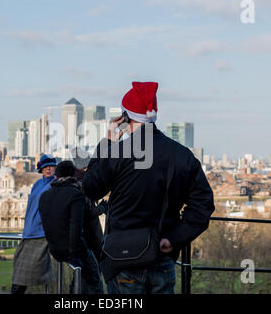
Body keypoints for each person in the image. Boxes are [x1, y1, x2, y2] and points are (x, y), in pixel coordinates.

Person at [82, 81, 215, 294]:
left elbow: (90, 188)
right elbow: (203, 206)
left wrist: (107, 142)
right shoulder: (183, 156)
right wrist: (175, 239)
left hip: (122, 256)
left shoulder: (119, 152)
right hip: (161, 255)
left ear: (124, 118)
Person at [39, 160, 103, 294]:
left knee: (77, 283)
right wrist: (75, 253)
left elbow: (47, 225)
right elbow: (76, 226)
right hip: (73, 250)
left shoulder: (44, 196)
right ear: (73, 175)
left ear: (56, 176)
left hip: (54, 249)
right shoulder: (75, 195)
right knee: (95, 281)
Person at [11, 154, 57, 294]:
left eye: (51, 166)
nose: (48, 169)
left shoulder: (55, 184)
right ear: (41, 169)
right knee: (19, 267)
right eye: (45, 167)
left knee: (25, 273)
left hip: (41, 232)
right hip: (29, 231)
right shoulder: (37, 184)